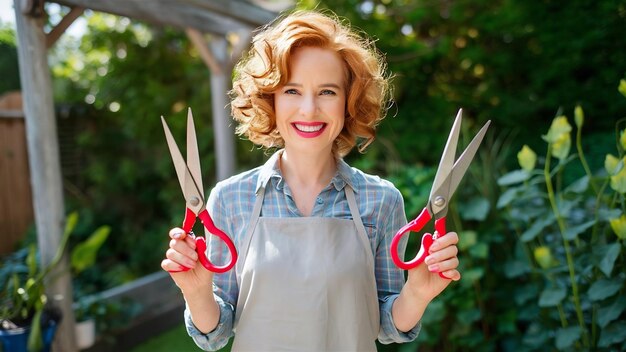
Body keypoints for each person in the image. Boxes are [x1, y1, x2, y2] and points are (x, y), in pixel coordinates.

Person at [161, 9, 460, 351]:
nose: (308, 109)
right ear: (270, 97)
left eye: (328, 92)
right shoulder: (231, 198)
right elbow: (216, 333)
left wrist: (418, 293)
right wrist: (196, 292)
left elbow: (386, 326)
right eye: (291, 90)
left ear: (349, 101)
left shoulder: (381, 200)